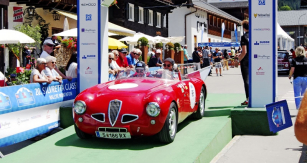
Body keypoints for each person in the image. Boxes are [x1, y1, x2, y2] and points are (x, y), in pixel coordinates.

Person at [238, 20, 249, 105]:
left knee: (246, 80)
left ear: (244, 28)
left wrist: (238, 60)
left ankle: (248, 99)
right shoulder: (256, 35)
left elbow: (244, 52)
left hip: (245, 61)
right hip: (255, 60)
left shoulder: (244, 37)